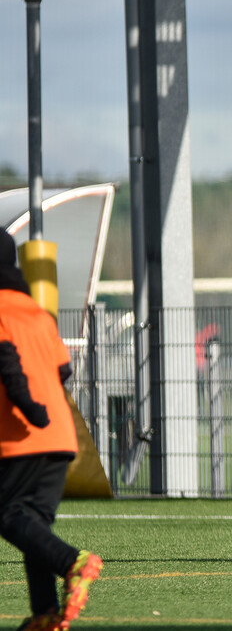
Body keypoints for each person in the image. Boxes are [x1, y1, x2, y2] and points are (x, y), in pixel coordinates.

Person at [0, 230, 101, 631]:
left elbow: (7, 365)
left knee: (8, 515)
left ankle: (73, 563)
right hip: (60, 435)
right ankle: (45, 615)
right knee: (32, 526)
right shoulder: (34, 310)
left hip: (24, 434)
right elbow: (62, 368)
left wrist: (29, 409)